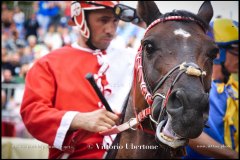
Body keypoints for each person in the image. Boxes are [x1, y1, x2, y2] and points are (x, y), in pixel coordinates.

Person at [20, 1, 142, 159]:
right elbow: (32, 113)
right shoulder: (48, 63)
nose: (111, 31)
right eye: (103, 20)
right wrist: (79, 119)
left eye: (115, 21)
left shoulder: (133, 59)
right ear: (81, 19)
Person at [185, 18, 239, 159]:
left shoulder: (234, 88)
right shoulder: (192, 85)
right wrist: (233, 156)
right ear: (217, 53)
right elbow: (187, 132)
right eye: (237, 50)